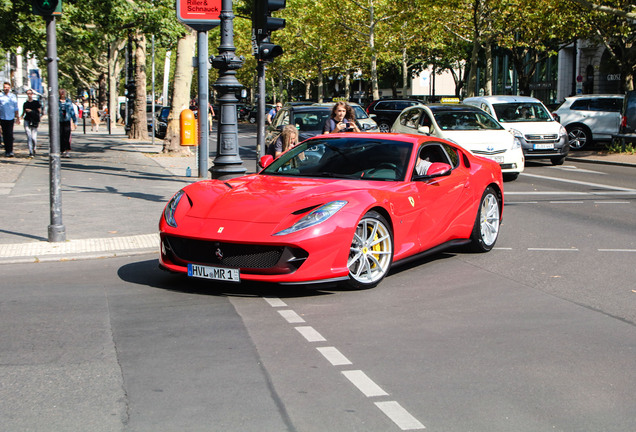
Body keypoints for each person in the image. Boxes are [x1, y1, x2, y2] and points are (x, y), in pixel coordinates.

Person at [0, 82, 20, 157]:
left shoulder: (13, 96)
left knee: (10, 134)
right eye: (5, 87)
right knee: (5, 134)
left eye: (8, 87)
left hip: (10, 117)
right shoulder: (0, 96)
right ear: (3, 88)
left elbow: (16, 107)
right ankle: (7, 150)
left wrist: (17, 117)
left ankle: (10, 150)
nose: (6, 88)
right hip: (2, 117)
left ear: (10, 88)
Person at [22, 89, 41, 157]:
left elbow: (39, 111)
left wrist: (32, 111)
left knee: (33, 137)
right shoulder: (25, 103)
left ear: (32, 94)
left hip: (34, 121)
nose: (29, 95)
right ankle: (30, 152)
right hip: (27, 120)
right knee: (29, 136)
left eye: (30, 93)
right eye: (28, 93)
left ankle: (34, 148)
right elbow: (23, 112)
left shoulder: (36, 102)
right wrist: (20, 117)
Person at [59, 89, 77, 158]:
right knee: (60, 136)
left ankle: (67, 151)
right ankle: (62, 151)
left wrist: (75, 121)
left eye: (63, 92)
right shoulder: (57, 101)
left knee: (67, 136)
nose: (62, 93)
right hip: (59, 121)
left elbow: (72, 111)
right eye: (61, 92)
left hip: (67, 120)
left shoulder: (68, 101)